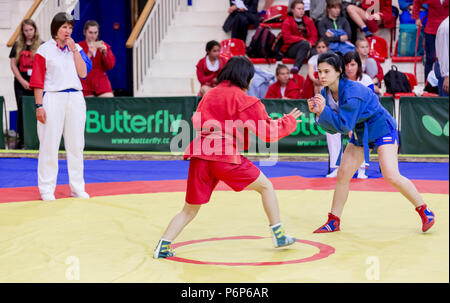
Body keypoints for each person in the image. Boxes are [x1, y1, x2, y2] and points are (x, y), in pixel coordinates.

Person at [153, 56, 302, 258]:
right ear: (246, 78)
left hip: (201, 154)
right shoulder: (246, 100)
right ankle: (279, 235)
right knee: (266, 186)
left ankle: (163, 245)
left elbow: (197, 121)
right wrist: (289, 121)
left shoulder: (210, 94)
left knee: (189, 209)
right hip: (225, 155)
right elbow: (268, 132)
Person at [307, 52, 435, 233]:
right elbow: (333, 129)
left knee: (391, 174)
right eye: (319, 72)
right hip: (361, 132)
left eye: (327, 71)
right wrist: (319, 114)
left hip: (382, 127)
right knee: (343, 173)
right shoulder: (324, 93)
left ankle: (425, 210)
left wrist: (323, 113)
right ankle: (333, 220)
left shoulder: (353, 91)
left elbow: (343, 126)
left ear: (339, 71)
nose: (322, 76)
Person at [29, 12, 92, 202]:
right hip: (53, 98)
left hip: (75, 97)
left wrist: (74, 51)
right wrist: (39, 105)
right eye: (64, 27)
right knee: (49, 145)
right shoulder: (44, 50)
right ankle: (46, 188)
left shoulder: (77, 48)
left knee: (76, 145)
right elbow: (38, 81)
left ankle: (77, 187)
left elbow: (83, 73)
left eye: (70, 27)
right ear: (55, 28)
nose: (67, 31)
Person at [326, 51, 375, 179]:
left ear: (358, 65)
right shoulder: (340, 82)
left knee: (362, 130)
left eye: (353, 65)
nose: (349, 68)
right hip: (345, 117)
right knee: (331, 131)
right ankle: (337, 167)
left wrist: (353, 125)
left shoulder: (366, 80)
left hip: (364, 117)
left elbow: (370, 104)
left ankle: (362, 169)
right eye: (347, 65)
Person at [9, 19, 42, 149]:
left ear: (35, 30)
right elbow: (13, 65)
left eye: (31, 30)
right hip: (21, 84)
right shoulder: (17, 45)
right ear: (22, 32)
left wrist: (35, 82)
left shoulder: (41, 45)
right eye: (26, 30)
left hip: (36, 84)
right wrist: (22, 81)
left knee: (38, 110)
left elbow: (44, 66)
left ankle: (37, 139)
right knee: (22, 110)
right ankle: (22, 140)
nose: (28, 33)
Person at [412, 0, 449, 81]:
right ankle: (427, 83)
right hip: (431, 29)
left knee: (445, 58)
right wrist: (416, 18)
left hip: (446, 31)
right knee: (430, 58)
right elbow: (417, 1)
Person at [78, 20, 115, 97]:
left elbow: (110, 66)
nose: (93, 36)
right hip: (85, 84)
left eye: (95, 33)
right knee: (87, 104)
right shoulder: (78, 47)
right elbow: (78, 67)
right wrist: (89, 54)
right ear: (85, 32)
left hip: (101, 83)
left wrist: (105, 53)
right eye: (90, 32)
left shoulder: (103, 45)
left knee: (109, 100)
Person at [281, 0, 318, 74]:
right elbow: (287, 38)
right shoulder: (287, 21)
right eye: (299, 9)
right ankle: (296, 67)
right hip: (291, 48)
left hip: (307, 47)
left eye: (303, 9)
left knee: (315, 53)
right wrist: (303, 41)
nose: (301, 11)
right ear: (292, 10)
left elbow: (314, 35)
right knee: (305, 45)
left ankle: (315, 74)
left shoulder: (308, 21)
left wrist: (309, 44)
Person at [434, 16, 449, 96]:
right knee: (446, 106)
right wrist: (446, 75)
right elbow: (444, 52)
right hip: (446, 69)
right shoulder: (446, 26)